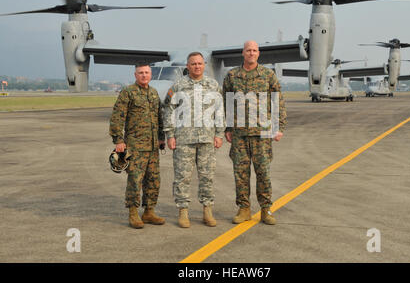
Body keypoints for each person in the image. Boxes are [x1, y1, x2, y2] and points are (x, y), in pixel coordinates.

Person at [222, 40, 287, 225]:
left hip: (263, 133)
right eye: (248, 50)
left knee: (263, 173)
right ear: (243, 53)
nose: (251, 53)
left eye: (254, 50)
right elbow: (226, 102)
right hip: (239, 134)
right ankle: (244, 209)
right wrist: (227, 128)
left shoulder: (268, 75)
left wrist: (279, 127)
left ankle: (266, 209)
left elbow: (278, 102)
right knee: (240, 173)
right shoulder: (232, 75)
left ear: (258, 54)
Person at [164, 52, 224, 228]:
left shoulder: (213, 85)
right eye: (193, 64)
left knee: (207, 176)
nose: (197, 66)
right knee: (182, 177)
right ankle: (183, 211)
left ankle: (207, 210)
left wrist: (219, 134)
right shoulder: (178, 86)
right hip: (183, 140)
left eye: (199, 63)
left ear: (204, 65)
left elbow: (219, 110)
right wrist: (170, 135)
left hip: (207, 139)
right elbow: (168, 111)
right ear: (187, 66)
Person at [109, 63, 166, 229]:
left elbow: (159, 118)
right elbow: (117, 117)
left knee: (154, 180)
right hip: (135, 146)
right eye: (140, 73)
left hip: (153, 146)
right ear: (135, 75)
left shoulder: (154, 93)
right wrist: (118, 140)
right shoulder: (128, 92)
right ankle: (133, 213)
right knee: (135, 180)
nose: (144, 75)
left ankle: (149, 211)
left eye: (147, 72)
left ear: (151, 74)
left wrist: (161, 138)